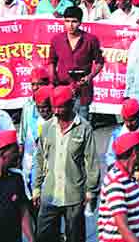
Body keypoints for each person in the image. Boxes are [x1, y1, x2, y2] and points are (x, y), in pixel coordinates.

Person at [33, 86, 100, 242]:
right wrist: (37, 187)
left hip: (74, 196)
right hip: (49, 194)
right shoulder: (48, 127)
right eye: (54, 107)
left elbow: (91, 162)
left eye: (61, 107)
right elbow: (40, 158)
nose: (56, 111)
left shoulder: (84, 128)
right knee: (43, 236)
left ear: (71, 104)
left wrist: (91, 191)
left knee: (75, 237)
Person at [49, 5, 104, 121]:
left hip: (83, 89)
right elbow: (51, 62)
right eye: (67, 21)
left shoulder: (90, 40)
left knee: (82, 123)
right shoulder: (56, 40)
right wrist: (52, 79)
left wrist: (90, 77)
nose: (70, 25)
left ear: (80, 22)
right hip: (62, 87)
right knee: (62, 121)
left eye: (74, 21)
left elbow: (99, 62)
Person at [97, 131, 139, 242]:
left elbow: (135, 210)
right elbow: (123, 226)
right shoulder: (116, 182)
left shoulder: (129, 178)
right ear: (134, 153)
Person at [104, 98, 139, 169]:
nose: (128, 124)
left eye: (131, 120)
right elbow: (110, 156)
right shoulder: (117, 134)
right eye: (125, 120)